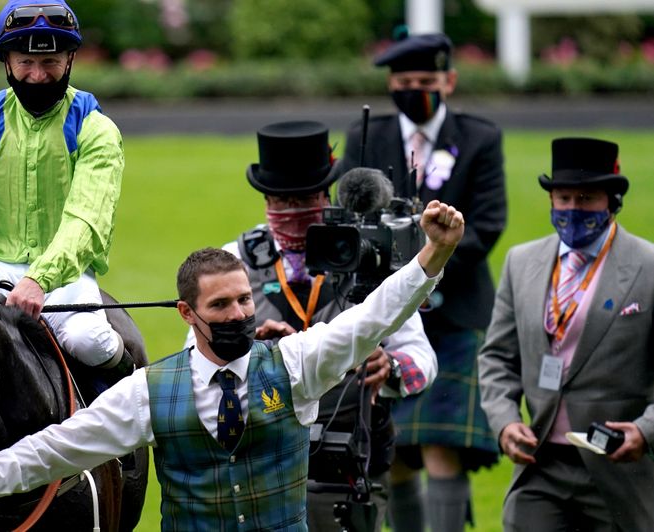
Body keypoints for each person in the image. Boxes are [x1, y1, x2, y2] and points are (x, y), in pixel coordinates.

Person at [0, 201, 468, 530]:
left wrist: (434, 255)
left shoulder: (296, 365)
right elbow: (60, 448)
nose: (240, 314)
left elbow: (371, 319)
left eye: (245, 300)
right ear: (187, 313)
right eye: (221, 306)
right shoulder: (149, 392)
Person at [182, 120, 437, 531]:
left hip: (348, 458)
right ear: (265, 199)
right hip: (257, 461)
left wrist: (388, 367)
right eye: (280, 200)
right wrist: (253, 349)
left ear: (326, 195)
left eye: (303, 198)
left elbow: (422, 358)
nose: (291, 211)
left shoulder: (371, 254)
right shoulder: (232, 262)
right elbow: (193, 361)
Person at [338, 30, 506, 531]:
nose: (415, 89)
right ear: (391, 84)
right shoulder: (367, 136)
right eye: (405, 80)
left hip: (454, 312)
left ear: (449, 81)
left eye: (426, 80)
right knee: (401, 452)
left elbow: (487, 225)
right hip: (385, 311)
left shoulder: (479, 137)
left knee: (440, 448)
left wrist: (424, 264)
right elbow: (348, 218)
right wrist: (396, 280)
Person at [0, 0, 133, 384]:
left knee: (90, 342)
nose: (37, 75)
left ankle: (131, 403)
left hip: (67, 277)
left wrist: (40, 279)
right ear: (7, 63)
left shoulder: (96, 130)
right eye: (25, 63)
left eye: (50, 63)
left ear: (69, 61)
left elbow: (86, 220)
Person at [478, 137, 654, 530]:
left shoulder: (649, 266)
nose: (573, 209)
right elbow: (496, 358)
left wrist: (646, 430)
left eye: (587, 198)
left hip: (618, 470)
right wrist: (506, 421)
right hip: (540, 464)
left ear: (612, 200)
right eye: (564, 198)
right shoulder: (520, 262)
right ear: (551, 201)